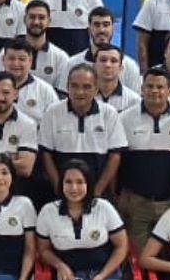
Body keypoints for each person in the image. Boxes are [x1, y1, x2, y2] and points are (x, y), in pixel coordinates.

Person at [116, 68, 170, 251]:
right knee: (138, 256)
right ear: (141, 89)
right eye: (149, 86)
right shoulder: (124, 118)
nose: (154, 91)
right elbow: (116, 161)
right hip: (136, 203)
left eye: (160, 87)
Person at [39, 63, 126, 196]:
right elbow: (46, 153)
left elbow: (115, 156)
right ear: (67, 87)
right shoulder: (52, 112)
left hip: (99, 192)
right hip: (61, 192)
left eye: (86, 87)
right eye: (74, 86)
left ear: (96, 89)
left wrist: (97, 192)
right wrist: (59, 188)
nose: (80, 92)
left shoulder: (109, 113)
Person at [0, 2, 69, 92]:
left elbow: (63, 93)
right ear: (24, 20)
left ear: (49, 21)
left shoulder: (60, 58)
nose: (36, 22)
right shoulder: (7, 52)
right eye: (32, 17)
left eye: (41, 18)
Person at [64, 6, 142, 92]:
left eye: (106, 25)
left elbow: (136, 98)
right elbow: (65, 96)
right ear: (89, 28)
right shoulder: (73, 64)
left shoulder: (130, 66)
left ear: (113, 28)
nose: (101, 30)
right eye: (96, 25)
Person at [0, 37, 59, 118]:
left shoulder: (46, 91)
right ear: (3, 60)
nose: (16, 63)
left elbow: (55, 121)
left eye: (21, 59)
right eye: (11, 58)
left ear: (30, 61)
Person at [93, 45, 142, 113]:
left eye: (113, 61)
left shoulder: (134, 101)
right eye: (103, 60)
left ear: (121, 68)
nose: (108, 65)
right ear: (94, 66)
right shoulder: (84, 97)